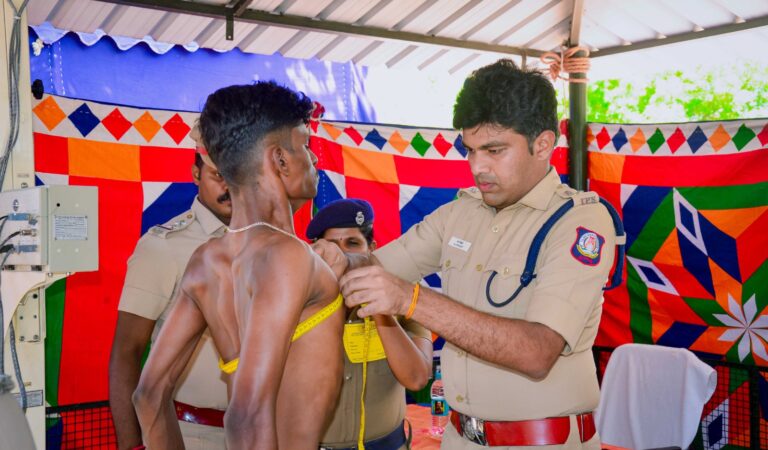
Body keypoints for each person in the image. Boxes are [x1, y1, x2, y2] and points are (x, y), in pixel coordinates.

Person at [335, 59, 617, 449]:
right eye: (469, 150)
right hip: (457, 437)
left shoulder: (580, 222)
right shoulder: (460, 212)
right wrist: (311, 260)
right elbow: (372, 268)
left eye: (494, 150)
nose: (477, 166)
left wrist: (410, 299)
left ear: (543, 144)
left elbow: (537, 352)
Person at [132, 81, 345, 450]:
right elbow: (247, 413)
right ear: (279, 160)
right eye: (305, 146)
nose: (313, 159)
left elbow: (148, 396)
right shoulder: (286, 257)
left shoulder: (208, 259)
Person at [109, 143, 232, 449]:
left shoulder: (267, 245)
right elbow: (127, 352)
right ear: (196, 174)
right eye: (218, 174)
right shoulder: (163, 246)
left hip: (263, 433)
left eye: (237, 174)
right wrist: (132, 445)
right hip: (189, 435)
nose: (229, 185)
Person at [306, 198, 432, 450]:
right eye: (331, 246)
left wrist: (380, 309)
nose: (342, 254)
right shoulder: (300, 302)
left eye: (353, 243)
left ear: (371, 248)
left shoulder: (405, 297)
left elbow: (417, 378)